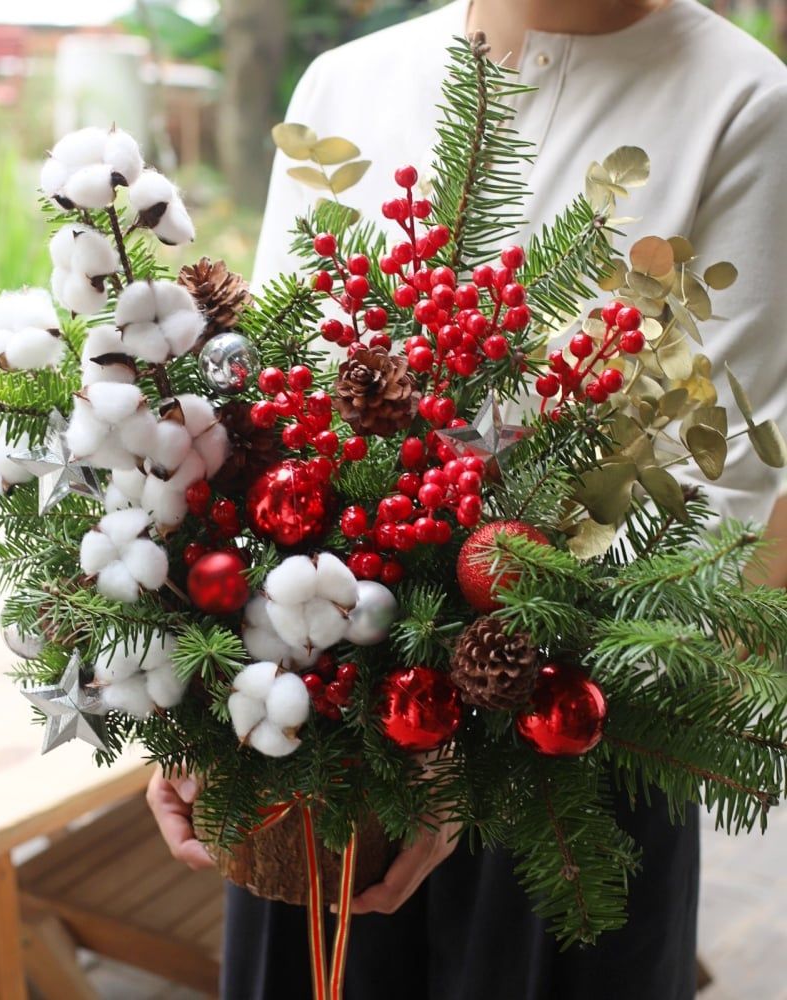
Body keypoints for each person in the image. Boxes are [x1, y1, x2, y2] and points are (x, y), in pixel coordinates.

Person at [147, 1, 787, 997]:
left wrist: (466, 741)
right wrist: (203, 698)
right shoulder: (346, 87)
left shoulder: (744, 105)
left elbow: (712, 507)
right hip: (315, 748)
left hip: (570, 758)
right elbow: (265, 427)